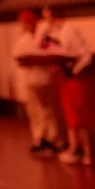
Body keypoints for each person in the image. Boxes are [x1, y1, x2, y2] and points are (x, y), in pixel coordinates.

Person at [40, 6, 95, 166]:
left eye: (48, 16)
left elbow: (83, 55)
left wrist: (74, 70)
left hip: (79, 79)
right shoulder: (61, 32)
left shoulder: (68, 31)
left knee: (79, 115)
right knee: (81, 113)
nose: (47, 21)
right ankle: (84, 148)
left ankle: (85, 151)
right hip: (76, 78)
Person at [12, 8, 64, 156]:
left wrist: (34, 59)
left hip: (45, 79)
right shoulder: (23, 39)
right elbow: (19, 58)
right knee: (35, 111)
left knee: (48, 110)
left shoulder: (45, 35)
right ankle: (40, 138)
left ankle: (53, 139)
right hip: (31, 80)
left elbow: (51, 54)